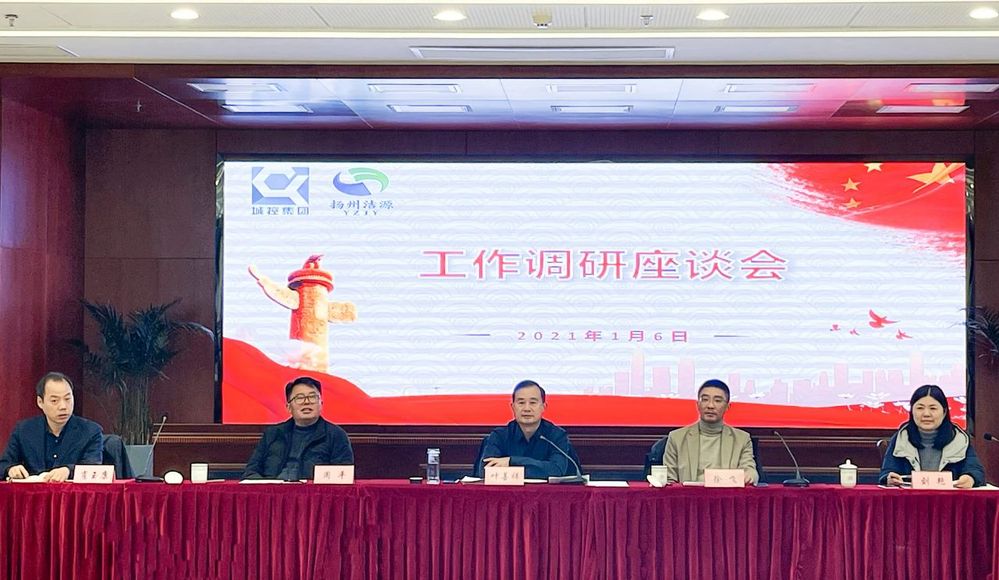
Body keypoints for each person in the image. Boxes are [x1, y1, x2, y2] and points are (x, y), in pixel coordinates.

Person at [243, 376, 354, 480]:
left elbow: (342, 478)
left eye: (312, 397)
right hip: (273, 492)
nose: (307, 402)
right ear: (288, 407)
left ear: (321, 404)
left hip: (312, 493)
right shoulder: (273, 434)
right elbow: (250, 472)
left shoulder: (336, 435)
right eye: (300, 398)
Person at [0, 372, 103, 482]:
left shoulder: (91, 431)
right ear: (40, 402)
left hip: (72, 492)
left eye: (67, 399)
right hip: (34, 492)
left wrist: (68, 471)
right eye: (54, 401)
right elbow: (4, 464)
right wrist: (10, 469)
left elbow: (93, 468)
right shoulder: (23, 430)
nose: (63, 406)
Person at [879, 384, 985, 488]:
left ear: (944, 412)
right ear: (912, 411)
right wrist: (890, 478)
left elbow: (975, 471)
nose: (926, 414)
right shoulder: (901, 438)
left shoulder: (959, 439)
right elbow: (886, 472)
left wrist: (970, 478)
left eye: (933, 408)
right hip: (910, 498)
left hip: (948, 498)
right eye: (920, 408)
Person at [475, 380, 581, 479]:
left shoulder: (556, 436)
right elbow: (485, 471)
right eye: (521, 403)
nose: (526, 409)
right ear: (513, 407)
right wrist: (535, 469)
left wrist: (512, 461)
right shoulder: (499, 436)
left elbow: (556, 470)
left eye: (533, 403)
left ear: (543, 407)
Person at [662, 379, 758, 485]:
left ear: (727, 407)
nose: (710, 406)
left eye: (717, 401)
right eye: (705, 399)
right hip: (688, 495)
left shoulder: (742, 439)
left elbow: (749, 469)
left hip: (726, 494)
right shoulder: (677, 438)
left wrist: (750, 474)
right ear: (697, 404)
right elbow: (669, 480)